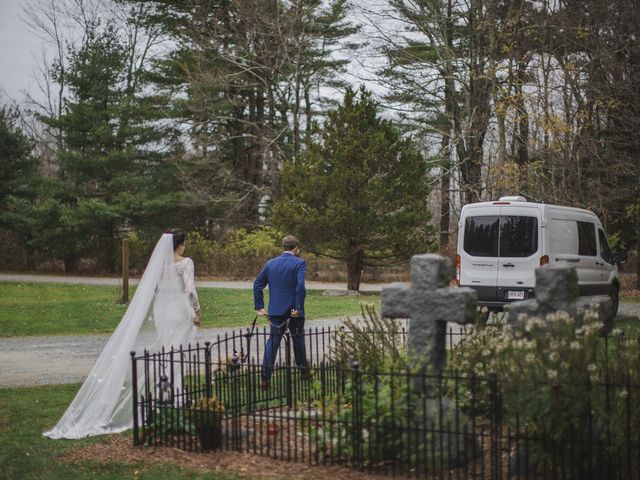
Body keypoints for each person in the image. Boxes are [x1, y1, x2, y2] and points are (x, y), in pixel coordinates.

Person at [43, 229, 201, 439]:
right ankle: (177, 398)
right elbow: (190, 290)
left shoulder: (159, 266)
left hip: (162, 312)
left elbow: (151, 291)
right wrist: (197, 310)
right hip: (180, 312)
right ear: (180, 244)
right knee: (177, 354)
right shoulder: (185, 263)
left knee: (166, 353)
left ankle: (169, 395)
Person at [254, 235, 309, 390]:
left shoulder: (270, 264)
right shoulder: (300, 263)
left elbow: (257, 284)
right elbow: (300, 286)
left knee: (273, 342)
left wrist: (260, 307)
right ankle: (304, 372)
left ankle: (265, 377)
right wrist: (297, 308)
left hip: (276, 311)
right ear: (296, 248)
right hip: (294, 311)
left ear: (282, 247)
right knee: (298, 340)